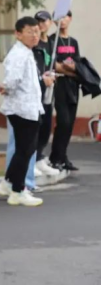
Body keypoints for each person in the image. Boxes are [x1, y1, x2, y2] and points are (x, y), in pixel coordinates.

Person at [0, 17, 54, 207]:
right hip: (22, 109)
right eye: (30, 32)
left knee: (24, 149)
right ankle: (18, 191)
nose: (35, 35)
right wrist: (6, 87)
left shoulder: (25, 52)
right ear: (18, 34)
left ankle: (8, 183)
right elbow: (13, 80)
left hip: (27, 108)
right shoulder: (19, 54)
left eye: (37, 31)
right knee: (26, 150)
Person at [49, 12, 81, 172]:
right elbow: (53, 65)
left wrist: (69, 67)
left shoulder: (73, 42)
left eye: (65, 17)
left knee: (70, 123)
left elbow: (78, 65)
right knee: (63, 121)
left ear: (70, 18)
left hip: (73, 85)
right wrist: (67, 68)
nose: (62, 21)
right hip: (59, 84)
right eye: (59, 18)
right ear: (54, 21)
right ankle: (55, 157)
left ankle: (62, 156)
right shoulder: (52, 41)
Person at [33, 10, 61, 176]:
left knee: (46, 126)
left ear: (50, 22)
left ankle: (39, 157)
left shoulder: (51, 43)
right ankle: (32, 160)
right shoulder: (34, 43)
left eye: (44, 21)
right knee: (36, 125)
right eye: (38, 21)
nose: (41, 24)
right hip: (36, 89)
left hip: (48, 90)